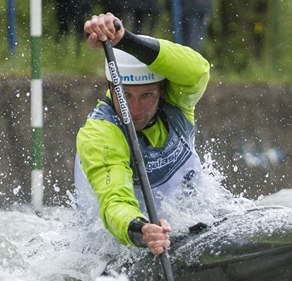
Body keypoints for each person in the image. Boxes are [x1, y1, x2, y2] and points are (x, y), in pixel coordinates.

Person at [74, 13, 210, 255]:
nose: (134, 110)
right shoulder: (100, 133)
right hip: (119, 247)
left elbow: (197, 70)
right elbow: (115, 201)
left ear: (162, 89)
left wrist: (125, 39)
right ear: (110, 87)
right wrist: (142, 230)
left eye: (147, 95)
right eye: (125, 95)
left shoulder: (178, 103)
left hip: (189, 226)